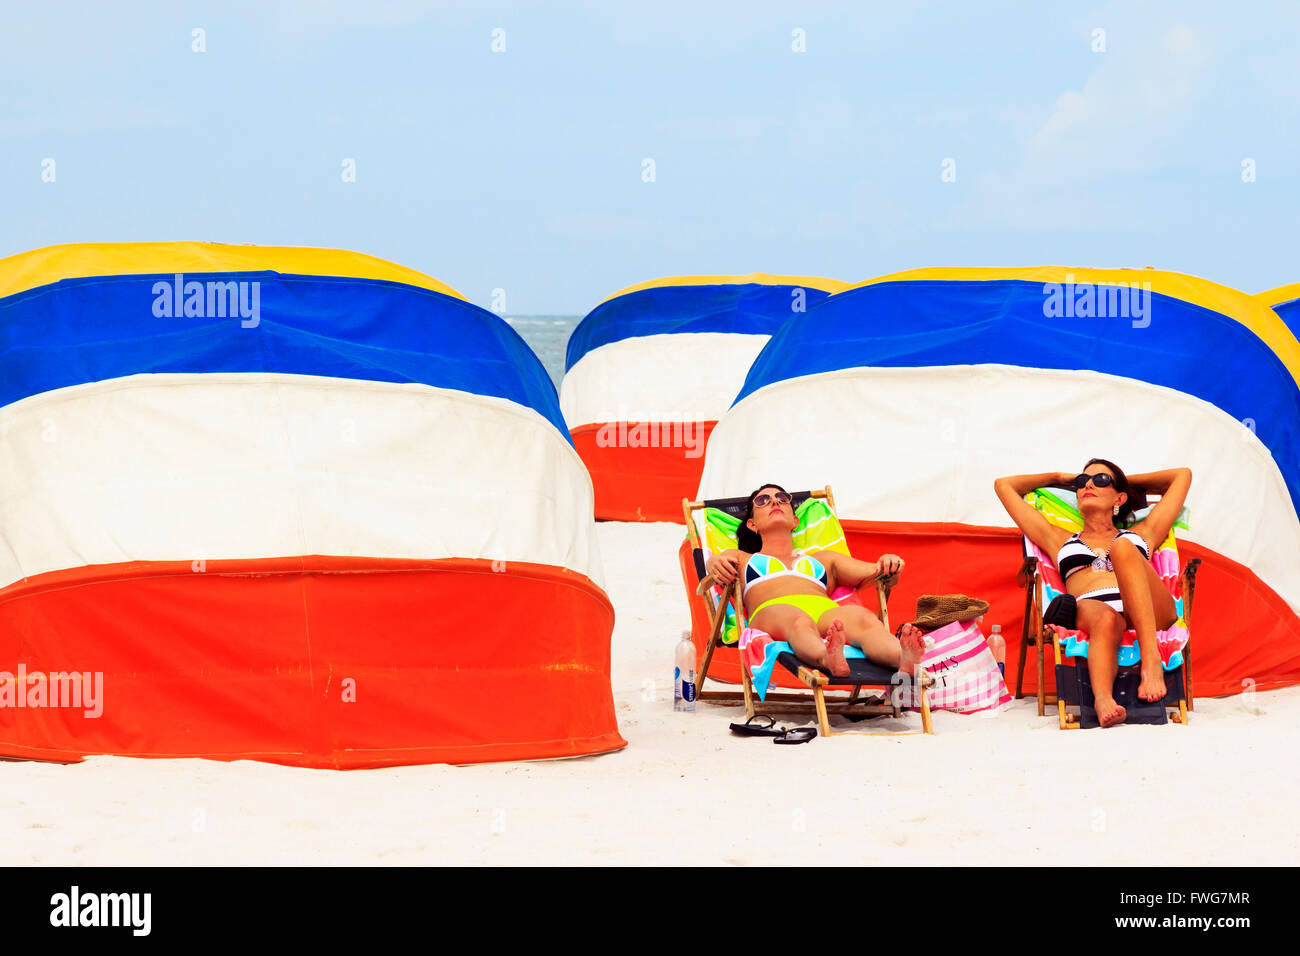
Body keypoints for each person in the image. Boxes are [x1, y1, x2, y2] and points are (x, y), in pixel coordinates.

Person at [994, 460, 1192, 727]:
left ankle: (1151, 661)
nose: (1087, 484)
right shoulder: (1059, 539)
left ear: (1120, 497)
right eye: (1082, 481)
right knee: (1105, 618)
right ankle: (1102, 700)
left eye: (1100, 480)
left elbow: (1182, 476)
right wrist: (1059, 477)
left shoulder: (1143, 533)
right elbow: (1003, 486)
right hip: (1094, 610)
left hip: (1151, 611)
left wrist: (1122, 480)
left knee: (1123, 547)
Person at [703, 483, 927, 679]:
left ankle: (903, 658)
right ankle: (826, 659)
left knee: (864, 620)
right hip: (771, 611)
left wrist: (890, 563)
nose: (774, 502)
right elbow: (716, 562)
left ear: (795, 520)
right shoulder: (743, 558)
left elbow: (878, 572)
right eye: (763, 500)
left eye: (782, 498)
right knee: (797, 621)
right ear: (752, 524)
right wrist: (713, 564)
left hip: (822, 611)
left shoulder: (824, 559)